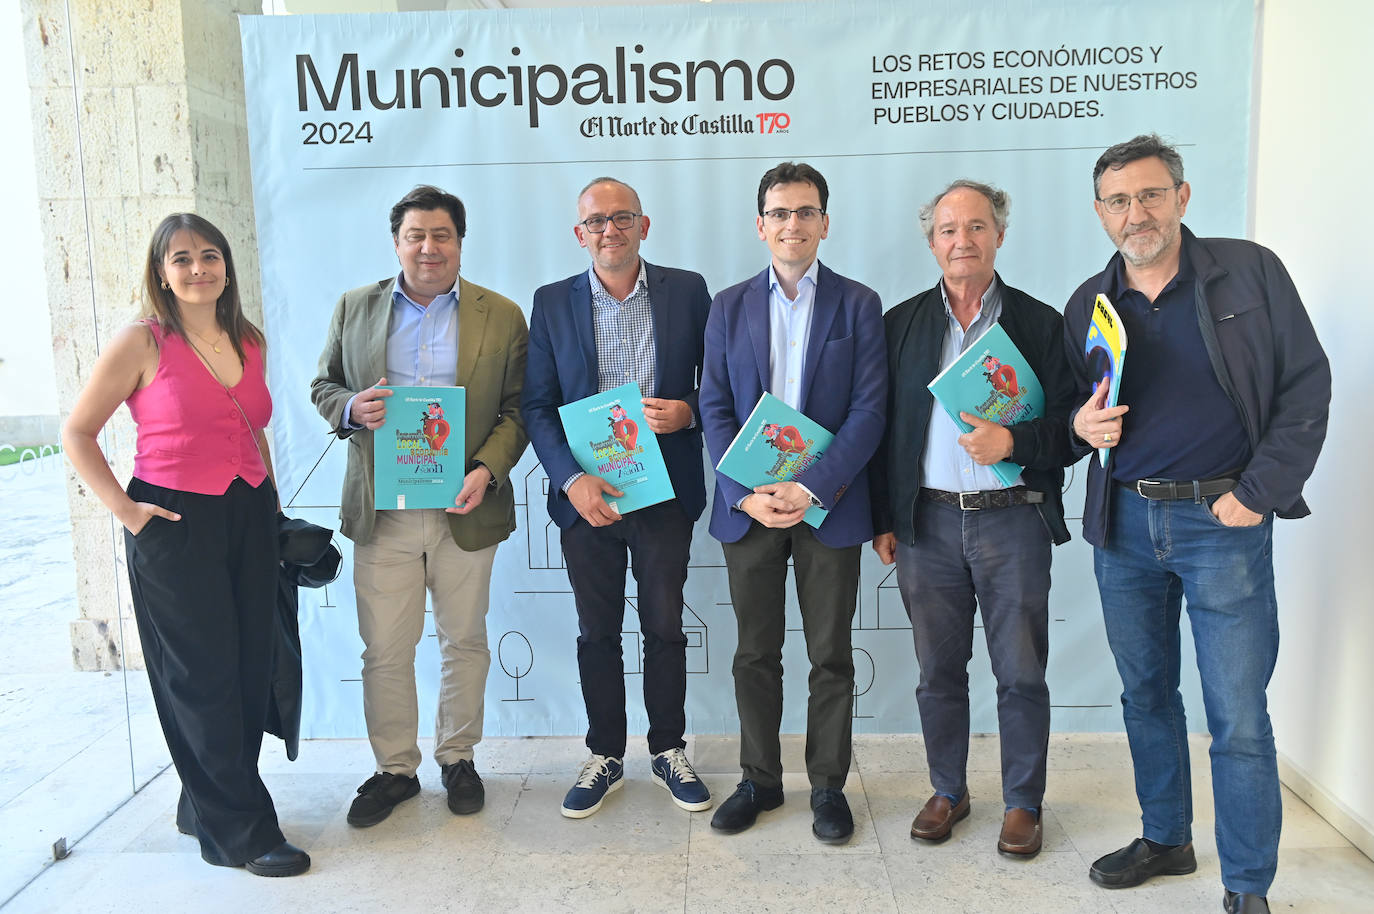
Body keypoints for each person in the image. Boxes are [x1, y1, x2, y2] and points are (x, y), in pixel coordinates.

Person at [1065, 135, 1330, 914]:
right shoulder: (1091, 301)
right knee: (1146, 694)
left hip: (1225, 521)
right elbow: (1077, 411)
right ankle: (1167, 838)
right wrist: (1085, 426)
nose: (1135, 212)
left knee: (1238, 714)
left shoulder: (1249, 271)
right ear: (1100, 212)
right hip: (1127, 524)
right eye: (1119, 200)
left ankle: (1247, 884)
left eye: (1150, 195)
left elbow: (1305, 387)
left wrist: (1260, 491)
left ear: (1182, 197)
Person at [62, 213, 310, 877]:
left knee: (250, 667)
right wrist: (127, 512)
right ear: (162, 272)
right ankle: (241, 832)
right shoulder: (141, 342)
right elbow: (78, 433)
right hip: (174, 521)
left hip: (250, 513)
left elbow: (253, 430)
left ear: (226, 266)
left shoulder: (247, 339)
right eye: (181, 259)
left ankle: (202, 802)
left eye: (209, 255)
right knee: (202, 676)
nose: (198, 268)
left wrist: (274, 510)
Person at [310, 185, 528, 826]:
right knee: (385, 648)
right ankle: (394, 770)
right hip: (385, 510)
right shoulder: (356, 307)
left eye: (442, 236)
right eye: (416, 236)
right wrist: (350, 408)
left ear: (460, 242)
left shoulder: (503, 314)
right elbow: (324, 383)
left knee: (464, 640)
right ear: (397, 242)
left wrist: (487, 469)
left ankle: (458, 757)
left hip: (467, 505)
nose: (429, 248)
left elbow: (517, 409)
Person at [871, 180, 1075, 857]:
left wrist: (1014, 442)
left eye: (978, 227)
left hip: (1012, 521)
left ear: (999, 236)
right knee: (938, 673)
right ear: (932, 242)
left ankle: (1024, 802)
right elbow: (885, 431)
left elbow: (1073, 431)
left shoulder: (1042, 324)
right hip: (926, 526)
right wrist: (885, 517)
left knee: (1020, 672)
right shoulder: (899, 325)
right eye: (950, 229)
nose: (964, 240)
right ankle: (948, 791)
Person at [699, 162, 886, 845]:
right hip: (749, 511)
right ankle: (760, 780)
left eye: (805, 212)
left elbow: (870, 411)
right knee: (755, 652)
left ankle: (829, 786)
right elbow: (713, 405)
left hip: (828, 507)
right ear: (761, 225)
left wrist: (810, 487)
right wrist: (746, 494)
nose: (792, 224)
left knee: (831, 654)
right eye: (779, 213)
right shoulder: (728, 306)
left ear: (825, 224)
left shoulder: (858, 304)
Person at [523, 177, 713, 818]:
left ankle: (668, 749)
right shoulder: (551, 304)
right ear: (580, 234)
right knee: (595, 633)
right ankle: (605, 753)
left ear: (644, 225)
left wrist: (688, 414)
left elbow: (718, 383)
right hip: (588, 496)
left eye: (622, 218)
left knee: (664, 628)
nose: (610, 230)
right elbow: (537, 407)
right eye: (597, 221)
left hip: (663, 491)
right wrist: (570, 481)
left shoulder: (688, 292)